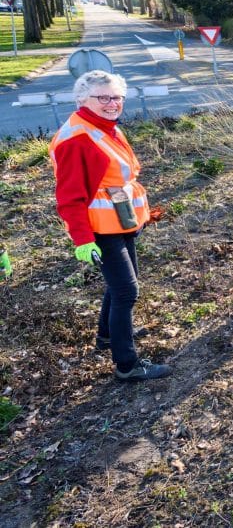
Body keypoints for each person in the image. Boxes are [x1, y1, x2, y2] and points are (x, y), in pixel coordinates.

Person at [50, 70, 170, 382]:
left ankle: (107, 337)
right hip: (100, 228)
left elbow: (115, 179)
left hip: (120, 220)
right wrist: (82, 240)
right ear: (81, 99)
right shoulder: (78, 139)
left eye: (116, 97)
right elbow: (69, 197)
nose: (111, 103)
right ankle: (126, 364)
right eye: (102, 97)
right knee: (126, 291)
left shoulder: (103, 127)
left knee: (119, 287)